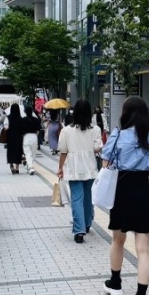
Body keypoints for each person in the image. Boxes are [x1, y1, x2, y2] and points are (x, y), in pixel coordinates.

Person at [100, 96, 149, 295]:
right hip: (144, 193)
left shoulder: (117, 136)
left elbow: (106, 165)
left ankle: (116, 285)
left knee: (118, 240)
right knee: (143, 249)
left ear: (126, 113)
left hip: (121, 193)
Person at [57, 99, 102, 243]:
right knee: (88, 197)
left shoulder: (66, 130)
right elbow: (97, 148)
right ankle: (87, 223)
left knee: (77, 198)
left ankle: (79, 230)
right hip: (90, 167)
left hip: (73, 168)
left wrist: (60, 168)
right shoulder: (95, 129)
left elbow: (63, 151)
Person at [4, 103, 25, 173]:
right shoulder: (21, 118)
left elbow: (6, 127)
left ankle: (11, 165)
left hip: (10, 137)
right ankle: (17, 168)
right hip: (19, 137)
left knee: (11, 151)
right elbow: (23, 128)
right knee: (18, 151)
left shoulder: (8, 117)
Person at [22, 105, 42, 175]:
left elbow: (21, 130)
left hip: (26, 136)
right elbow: (39, 129)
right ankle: (29, 167)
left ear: (25, 112)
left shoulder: (23, 120)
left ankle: (30, 167)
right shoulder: (36, 119)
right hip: (34, 136)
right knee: (33, 153)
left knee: (27, 153)